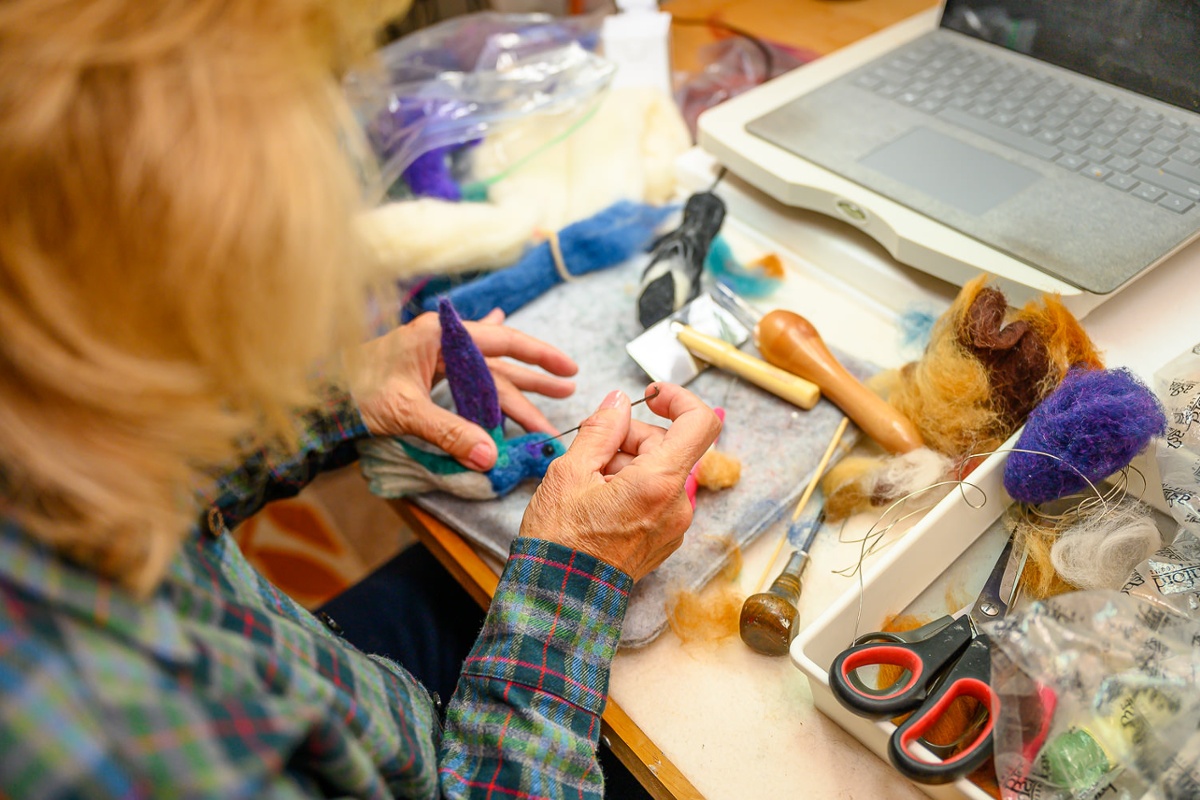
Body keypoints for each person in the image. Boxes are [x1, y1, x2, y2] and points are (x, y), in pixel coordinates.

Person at [0, 1, 720, 798]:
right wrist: (572, 579)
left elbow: (130, 465)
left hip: (346, 698)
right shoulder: (106, 747)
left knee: (453, 583)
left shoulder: (39, 398)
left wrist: (339, 397)